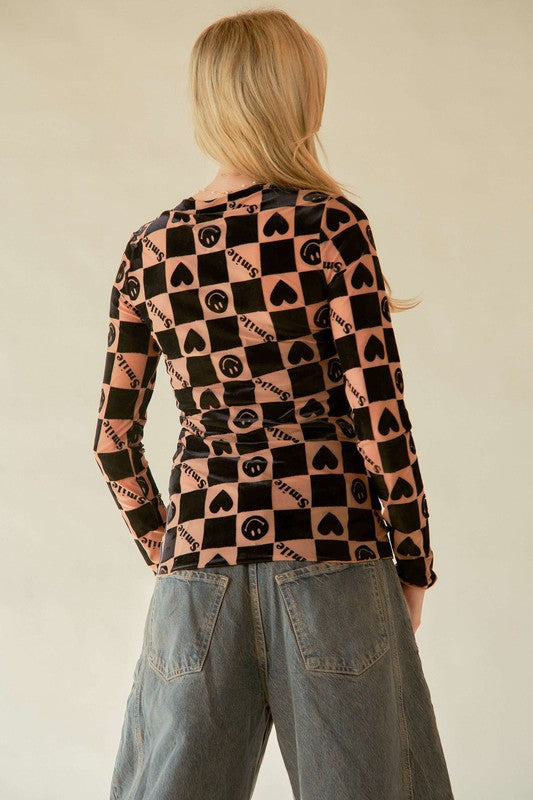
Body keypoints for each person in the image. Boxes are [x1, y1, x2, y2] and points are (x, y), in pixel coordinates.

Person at [92, 8, 455, 800]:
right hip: (331, 548)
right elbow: (378, 416)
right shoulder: (329, 226)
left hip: (197, 567)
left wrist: (173, 549)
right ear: (292, 97)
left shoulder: (148, 249)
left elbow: (113, 441)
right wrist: (414, 562)